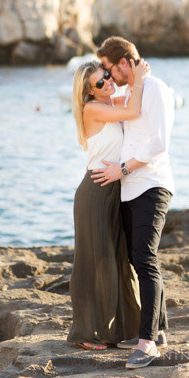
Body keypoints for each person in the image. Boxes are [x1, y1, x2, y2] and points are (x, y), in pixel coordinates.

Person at [91, 36, 176, 370]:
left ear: (124, 63)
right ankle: (159, 329)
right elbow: (118, 107)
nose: (109, 78)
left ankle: (147, 343)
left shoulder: (155, 89)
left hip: (151, 185)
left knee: (145, 259)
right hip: (129, 188)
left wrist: (122, 169)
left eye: (110, 71)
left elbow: (160, 143)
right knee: (136, 257)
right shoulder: (133, 90)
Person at [66, 59, 148, 350]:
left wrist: (132, 76)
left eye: (107, 78)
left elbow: (132, 102)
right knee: (95, 262)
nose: (107, 83)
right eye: (100, 83)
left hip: (113, 190)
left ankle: (122, 330)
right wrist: (137, 78)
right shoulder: (93, 108)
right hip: (95, 193)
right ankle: (86, 333)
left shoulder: (109, 101)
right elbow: (134, 109)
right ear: (89, 92)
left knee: (117, 260)